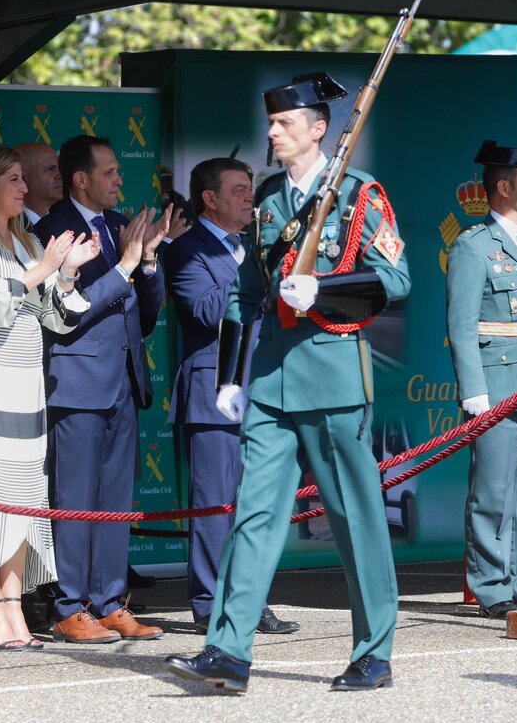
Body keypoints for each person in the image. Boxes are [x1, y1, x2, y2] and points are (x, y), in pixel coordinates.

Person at [164, 72, 410, 693]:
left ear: (319, 129)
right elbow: (245, 298)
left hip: (331, 375)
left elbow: (396, 279)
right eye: (270, 122)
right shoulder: (270, 200)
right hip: (271, 381)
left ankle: (373, 651)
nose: (272, 132)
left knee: (355, 518)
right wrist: (228, 376)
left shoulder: (359, 195)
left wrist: (323, 288)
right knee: (253, 516)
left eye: (284, 123)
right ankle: (226, 650)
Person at [0, 145, 97, 649]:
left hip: (27, 384)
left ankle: (14, 606)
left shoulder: (29, 241)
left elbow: (58, 315)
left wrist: (68, 269)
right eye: (13, 179)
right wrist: (43, 267)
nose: (24, 187)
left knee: (22, 500)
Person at [35, 134, 169, 643]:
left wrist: (150, 261)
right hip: (75, 383)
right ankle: (69, 604)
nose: (120, 179)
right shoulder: (53, 231)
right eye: (110, 172)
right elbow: (71, 312)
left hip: (123, 380)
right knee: (75, 497)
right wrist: (127, 266)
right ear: (80, 179)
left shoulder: (120, 226)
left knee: (115, 498)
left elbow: (148, 312)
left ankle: (111, 600)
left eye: (118, 171)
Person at [163, 157, 299, 636]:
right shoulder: (185, 249)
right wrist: (252, 272)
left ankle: (252, 599)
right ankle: (210, 602)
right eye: (240, 190)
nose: (250, 199)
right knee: (215, 505)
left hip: (264, 389)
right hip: (211, 391)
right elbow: (204, 311)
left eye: (251, 190)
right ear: (210, 199)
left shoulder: (256, 247)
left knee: (255, 505)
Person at [447, 140, 517, 620]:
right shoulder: (473, 245)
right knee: (493, 492)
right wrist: (473, 390)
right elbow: (461, 323)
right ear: (503, 187)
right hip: (498, 387)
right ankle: (492, 586)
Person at [15, 142, 63, 224]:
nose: (60, 175)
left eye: (60, 168)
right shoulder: (8, 228)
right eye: (51, 169)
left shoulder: (65, 221)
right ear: (23, 177)